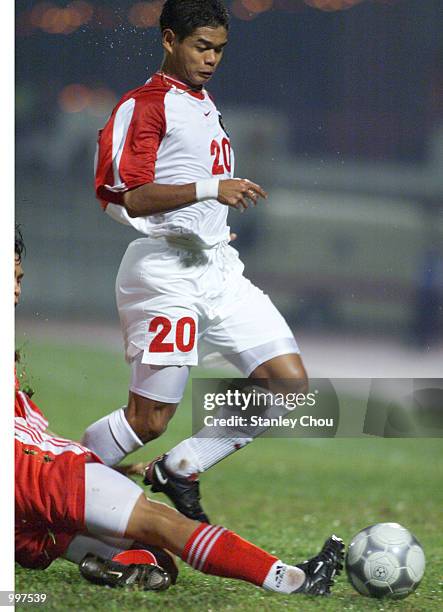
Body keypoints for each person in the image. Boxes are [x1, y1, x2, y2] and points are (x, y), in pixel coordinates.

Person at [14, 226, 344, 595]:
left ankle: (105, 562)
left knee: (158, 564)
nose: (16, 290)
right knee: (163, 522)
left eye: (18, 279)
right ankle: (293, 581)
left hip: (21, 517)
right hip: (33, 476)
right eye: (9, 278)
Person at [87, 0, 309, 522]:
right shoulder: (143, 105)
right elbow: (128, 195)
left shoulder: (203, 103)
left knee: (289, 383)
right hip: (166, 274)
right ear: (169, 40)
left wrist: (212, 215)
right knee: (149, 420)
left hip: (219, 268)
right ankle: (52, 487)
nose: (211, 59)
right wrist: (214, 188)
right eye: (201, 47)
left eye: (219, 50)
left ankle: (181, 466)